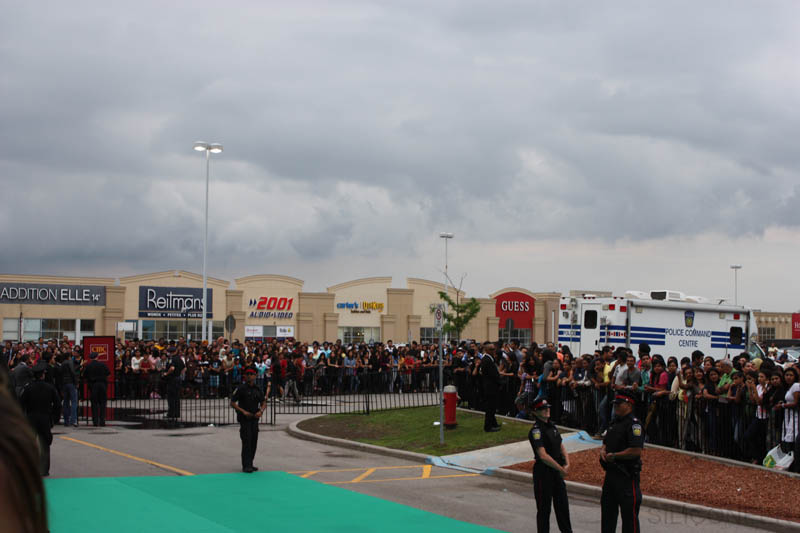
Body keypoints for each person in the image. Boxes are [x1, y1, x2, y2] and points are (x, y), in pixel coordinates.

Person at [599, 392, 644, 533]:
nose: (616, 407)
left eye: (619, 404)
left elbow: (636, 450)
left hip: (626, 476)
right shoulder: (614, 423)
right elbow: (606, 442)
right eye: (615, 405)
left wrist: (615, 456)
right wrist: (603, 450)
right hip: (611, 476)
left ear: (629, 405)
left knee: (630, 520)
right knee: (607, 517)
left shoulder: (634, 424)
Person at [528, 398, 572, 533]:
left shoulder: (552, 426)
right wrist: (560, 468)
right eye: (543, 408)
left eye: (547, 407)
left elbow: (561, 445)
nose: (547, 410)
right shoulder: (536, 431)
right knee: (544, 510)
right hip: (544, 473)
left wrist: (567, 463)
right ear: (535, 412)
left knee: (563, 508)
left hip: (556, 473)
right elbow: (542, 455)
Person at [19, 363, 61, 476]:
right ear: (43, 375)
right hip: (45, 418)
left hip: (31, 417)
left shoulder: (28, 388)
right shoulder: (50, 388)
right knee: (45, 444)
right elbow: (57, 404)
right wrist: (54, 419)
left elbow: (21, 404)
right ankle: (44, 470)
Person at [230, 367, 266, 473]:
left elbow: (263, 402)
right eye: (247, 374)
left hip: (254, 418)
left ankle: (250, 462)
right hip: (245, 418)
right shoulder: (241, 388)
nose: (249, 376)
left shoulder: (258, 389)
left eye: (251, 374)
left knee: (254, 441)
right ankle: (246, 465)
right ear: (245, 376)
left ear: (255, 376)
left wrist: (261, 411)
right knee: (247, 441)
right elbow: (232, 403)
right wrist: (243, 411)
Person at [479, 343, 502, 432]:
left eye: (494, 349)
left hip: (490, 386)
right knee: (490, 407)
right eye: (491, 349)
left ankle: (493, 423)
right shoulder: (487, 360)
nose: (493, 351)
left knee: (492, 407)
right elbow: (493, 375)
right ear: (487, 350)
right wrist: (499, 382)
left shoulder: (488, 359)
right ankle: (488, 427)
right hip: (490, 387)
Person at [84, 353, 110, 426]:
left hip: (93, 385)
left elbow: (85, 376)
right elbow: (108, 373)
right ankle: (102, 421)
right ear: (97, 357)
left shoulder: (88, 366)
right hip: (102, 384)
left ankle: (95, 421)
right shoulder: (102, 364)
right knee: (102, 403)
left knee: (94, 404)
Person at [163, 347, 185, 419]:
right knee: (177, 397)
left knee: (171, 397)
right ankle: (176, 413)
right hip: (178, 378)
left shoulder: (172, 359)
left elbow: (172, 368)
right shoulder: (179, 358)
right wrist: (179, 374)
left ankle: (171, 413)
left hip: (172, 379)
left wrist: (166, 373)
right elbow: (184, 368)